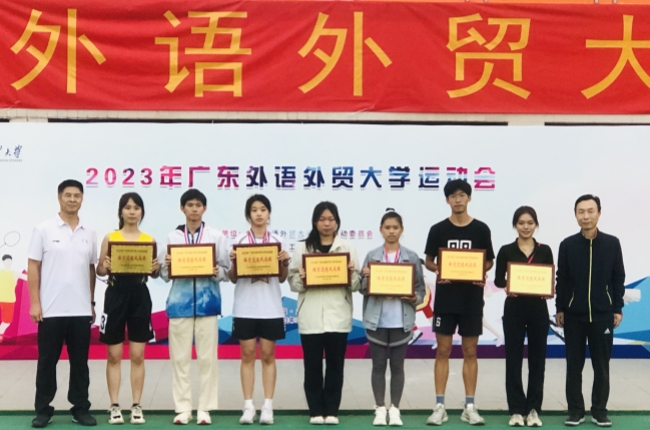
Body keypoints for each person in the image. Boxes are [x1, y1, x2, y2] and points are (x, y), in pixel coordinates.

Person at [423, 179, 495, 426]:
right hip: (445, 301)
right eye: (453, 196)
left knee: (470, 351)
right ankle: (439, 406)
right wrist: (440, 270)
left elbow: (489, 261)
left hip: (471, 301)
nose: (457, 200)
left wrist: (479, 271)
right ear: (447, 200)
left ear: (469, 198)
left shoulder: (481, 229)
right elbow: (429, 261)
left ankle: (470, 406)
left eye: (462, 195)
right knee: (443, 351)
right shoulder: (438, 229)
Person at [27, 179, 98, 428]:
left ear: (82, 199)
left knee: (80, 364)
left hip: (80, 310)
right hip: (50, 310)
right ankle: (43, 410)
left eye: (77, 195)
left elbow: (91, 269)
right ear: (59, 198)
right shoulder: (43, 229)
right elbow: (33, 267)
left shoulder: (89, 232)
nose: (72, 200)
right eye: (68, 195)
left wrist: (91, 302)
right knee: (47, 363)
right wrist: (35, 303)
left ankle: (80, 408)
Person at [159, 189, 231, 425]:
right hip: (179, 305)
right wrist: (167, 266)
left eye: (198, 205)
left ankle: (204, 409)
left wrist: (216, 272)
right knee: (179, 359)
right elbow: (163, 274)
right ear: (182, 208)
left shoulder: (216, 237)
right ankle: (183, 408)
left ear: (204, 208)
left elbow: (227, 271)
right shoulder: (172, 238)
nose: (194, 209)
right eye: (189, 205)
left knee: (207, 359)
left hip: (207, 305)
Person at [288, 201, 360, 425]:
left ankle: (332, 411)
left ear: (337, 222)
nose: (327, 223)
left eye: (331, 219)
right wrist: (302, 278)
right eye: (322, 219)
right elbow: (292, 283)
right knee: (312, 367)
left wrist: (351, 274)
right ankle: (315, 411)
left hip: (338, 315)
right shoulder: (302, 248)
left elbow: (357, 285)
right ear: (315, 222)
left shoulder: (346, 248)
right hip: (310, 315)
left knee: (335, 366)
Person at [555, 195, 625, 427]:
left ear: (599, 213)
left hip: (603, 315)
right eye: (581, 212)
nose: (586, 216)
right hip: (574, 316)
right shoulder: (567, 245)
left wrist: (617, 308)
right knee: (574, 367)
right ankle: (575, 411)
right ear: (575, 215)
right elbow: (562, 280)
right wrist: (560, 308)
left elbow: (618, 278)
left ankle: (599, 411)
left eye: (590, 211)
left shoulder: (612, 244)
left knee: (601, 367)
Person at [96, 192, 160, 425]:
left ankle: (136, 405)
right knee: (114, 355)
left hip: (139, 296)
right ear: (121, 211)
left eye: (136, 208)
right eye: (128, 207)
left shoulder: (149, 240)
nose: (132, 212)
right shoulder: (110, 238)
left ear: (141, 212)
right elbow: (100, 270)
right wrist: (105, 265)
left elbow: (154, 274)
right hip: (115, 296)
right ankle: (114, 405)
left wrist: (155, 268)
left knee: (137, 355)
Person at [227, 195, 290, 425]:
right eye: (254, 210)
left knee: (268, 356)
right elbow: (233, 278)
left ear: (269, 213)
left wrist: (284, 262)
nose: (259, 213)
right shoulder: (239, 242)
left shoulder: (278, 242)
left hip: (270, 308)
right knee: (247, 356)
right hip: (245, 307)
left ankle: (267, 406)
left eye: (263, 209)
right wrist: (235, 262)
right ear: (248, 215)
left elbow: (282, 278)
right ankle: (248, 406)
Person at [360, 210, 425, 427]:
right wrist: (366, 278)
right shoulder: (372, 256)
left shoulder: (411, 257)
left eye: (395, 228)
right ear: (381, 230)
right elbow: (362, 288)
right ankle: (380, 409)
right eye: (387, 227)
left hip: (401, 319)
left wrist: (414, 298)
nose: (391, 231)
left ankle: (395, 409)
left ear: (401, 230)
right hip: (377, 320)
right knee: (378, 366)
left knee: (398, 367)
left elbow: (420, 289)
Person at [494, 206, 554, 427]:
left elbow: (549, 278)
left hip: (538, 310)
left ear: (536, 224)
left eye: (530, 223)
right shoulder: (506, 250)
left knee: (538, 360)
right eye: (521, 223)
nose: (526, 227)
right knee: (513, 360)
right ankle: (517, 410)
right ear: (515, 225)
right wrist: (510, 284)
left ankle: (533, 410)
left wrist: (548, 289)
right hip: (514, 309)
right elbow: (498, 280)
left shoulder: (544, 250)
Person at [0, 254, 17, 339]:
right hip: (1, 299)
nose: (8, 262)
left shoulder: (15, 273)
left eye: (10, 261)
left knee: (7, 321)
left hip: (9, 300)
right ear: (3, 262)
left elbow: (28, 278)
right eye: (7, 261)